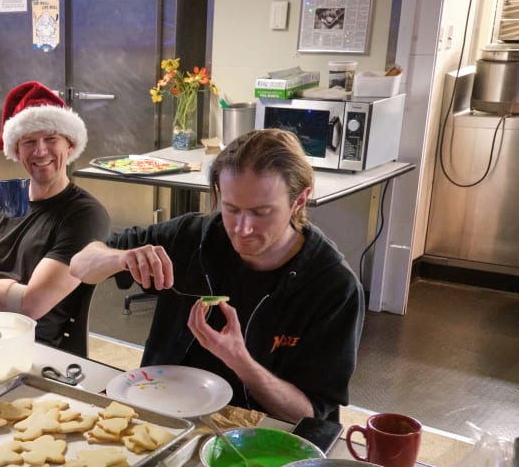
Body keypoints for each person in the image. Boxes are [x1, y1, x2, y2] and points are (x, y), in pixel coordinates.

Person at [69, 129, 364, 422]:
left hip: (260, 436)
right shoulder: (192, 238)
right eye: (231, 209)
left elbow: (309, 415)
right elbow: (80, 265)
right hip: (165, 412)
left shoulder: (332, 286)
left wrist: (240, 361)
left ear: (299, 200)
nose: (242, 229)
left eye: (261, 212)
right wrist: (121, 258)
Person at [0, 81, 110, 355]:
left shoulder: (85, 214)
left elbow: (29, 305)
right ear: (16, 151)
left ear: (70, 145)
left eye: (51, 139)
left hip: (30, 349)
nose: (40, 151)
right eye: (29, 141)